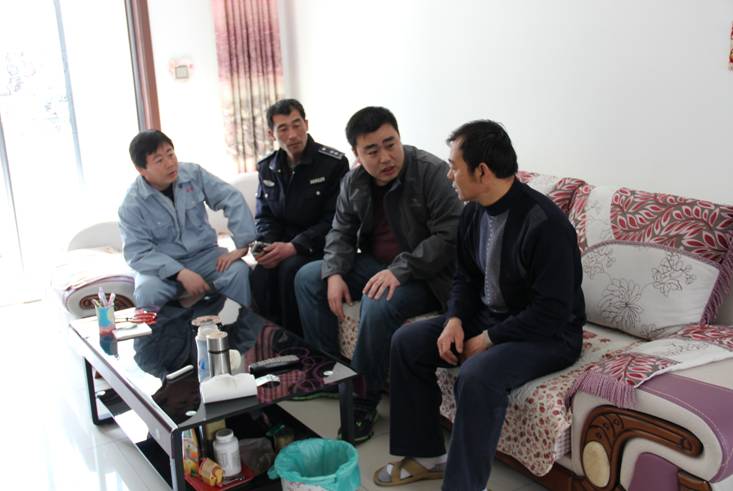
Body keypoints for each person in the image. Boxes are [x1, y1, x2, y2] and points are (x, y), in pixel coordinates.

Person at [373, 120, 586, 489]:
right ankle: (426, 456)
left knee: (477, 375)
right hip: (491, 317)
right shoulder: (473, 210)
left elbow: (552, 312)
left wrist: (488, 339)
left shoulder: (546, 224)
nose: (449, 175)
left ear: (482, 171)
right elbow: (466, 278)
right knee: (407, 343)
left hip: (549, 335)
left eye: (454, 166)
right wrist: (455, 318)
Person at [294, 106, 463, 443]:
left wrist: (400, 270)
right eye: (372, 151)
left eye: (390, 144)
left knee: (378, 300)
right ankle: (330, 374)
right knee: (309, 277)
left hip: (428, 275)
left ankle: (362, 399)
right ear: (357, 154)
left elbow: (449, 236)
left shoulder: (431, 172)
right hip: (376, 265)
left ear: (400, 138)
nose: (386, 157)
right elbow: (340, 231)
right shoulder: (354, 181)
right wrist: (334, 272)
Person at [119, 129, 256, 309]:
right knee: (147, 292)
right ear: (141, 169)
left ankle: (240, 326)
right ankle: (167, 329)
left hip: (205, 256)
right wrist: (180, 273)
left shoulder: (193, 174)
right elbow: (138, 253)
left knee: (238, 271)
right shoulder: (131, 204)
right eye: (159, 160)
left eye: (170, 154)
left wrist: (242, 245)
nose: (170, 163)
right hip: (161, 266)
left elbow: (231, 198)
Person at [251, 99, 349, 335]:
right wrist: (267, 246)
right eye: (283, 129)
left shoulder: (333, 163)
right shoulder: (267, 167)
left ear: (306, 124)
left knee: (289, 270)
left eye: (297, 125)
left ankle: (294, 340)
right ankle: (268, 338)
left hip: (319, 246)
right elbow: (265, 216)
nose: (293, 135)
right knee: (259, 273)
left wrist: (294, 247)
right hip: (283, 244)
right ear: (271, 134)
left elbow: (335, 220)